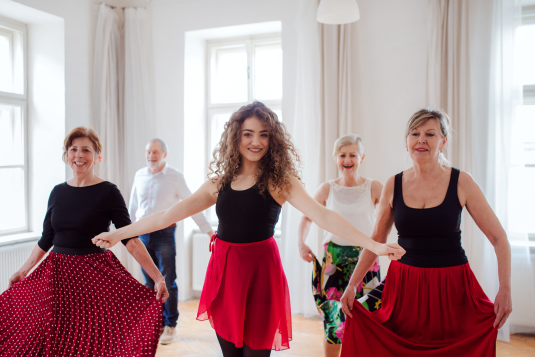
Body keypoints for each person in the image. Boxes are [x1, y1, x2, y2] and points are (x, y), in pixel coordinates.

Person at [92, 102, 405, 357]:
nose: (256, 141)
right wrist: (118, 233)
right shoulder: (219, 182)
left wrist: (374, 245)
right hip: (225, 273)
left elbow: (323, 216)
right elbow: (167, 214)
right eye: (248, 134)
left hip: (260, 273)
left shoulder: (280, 181)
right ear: (236, 138)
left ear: (273, 140)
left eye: (264, 134)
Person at [0, 127, 169, 357]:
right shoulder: (57, 192)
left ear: (97, 156)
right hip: (56, 277)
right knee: (49, 339)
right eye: (73, 149)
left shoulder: (109, 192)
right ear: (67, 155)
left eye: (86, 150)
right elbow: (46, 239)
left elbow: (131, 239)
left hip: (93, 277)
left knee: (90, 339)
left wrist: (157, 278)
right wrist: (23, 271)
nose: (79, 155)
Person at [339, 109, 512, 357]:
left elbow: (499, 238)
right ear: (406, 141)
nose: (421, 140)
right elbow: (376, 240)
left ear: (443, 141)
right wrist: (352, 285)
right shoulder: (393, 184)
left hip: (452, 288)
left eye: (430, 134)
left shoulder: (462, 182)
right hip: (403, 287)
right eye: (415, 133)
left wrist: (505, 289)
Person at [298, 134, 383, 357]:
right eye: (342, 155)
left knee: (369, 317)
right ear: (336, 158)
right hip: (334, 261)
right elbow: (307, 216)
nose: (348, 159)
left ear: (361, 157)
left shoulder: (374, 188)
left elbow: (392, 216)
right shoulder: (327, 189)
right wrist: (301, 243)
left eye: (352, 155)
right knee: (333, 321)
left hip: (367, 259)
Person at [128, 138, 214, 344]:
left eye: (155, 152)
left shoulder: (175, 177)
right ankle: (155, 323)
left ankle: (170, 325)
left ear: (164, 154)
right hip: (142, 236)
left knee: (167, 280)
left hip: (165, 235)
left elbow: (193, 204)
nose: (151, 156)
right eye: (148, 152)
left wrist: (209, 231)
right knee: (149, 282)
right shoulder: (139, 175)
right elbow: (132, 207)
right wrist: (128, 233)